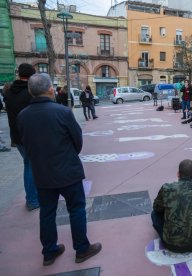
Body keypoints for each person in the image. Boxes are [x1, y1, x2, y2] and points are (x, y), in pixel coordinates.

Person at [17, 73, 102, 266]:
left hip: (42, 173)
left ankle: (49, 251)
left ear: (31, 91)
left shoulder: (23, 116)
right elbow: (77, 139)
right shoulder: (62, 112)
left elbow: (25, 144)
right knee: (76, 209)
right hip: (67, 171)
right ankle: (81, 249)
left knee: (47, 212)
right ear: (50, 90)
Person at [151, 159, 192, 253]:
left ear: (178, 174)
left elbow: (156, 207)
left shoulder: (167, 188)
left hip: (171, 244)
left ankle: (170, 231)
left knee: (154, 213)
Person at [3, 63, 39, 210]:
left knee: (27, 165)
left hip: (16, 137)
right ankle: (32, 200)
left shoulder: (9, 92)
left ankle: (30, 197)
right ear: (31, 76)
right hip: (30, 136)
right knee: (32, 166)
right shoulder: (31, 92)